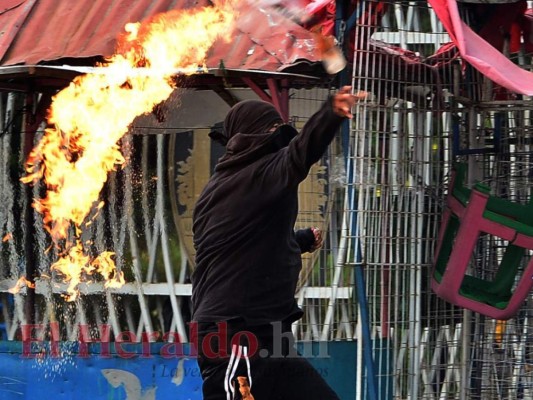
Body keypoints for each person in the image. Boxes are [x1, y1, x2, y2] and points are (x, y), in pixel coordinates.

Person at [191, 86, 362, 399]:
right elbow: (300, 154)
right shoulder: (253, 175)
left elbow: (245, 248)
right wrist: (330, 113)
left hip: (271, 336)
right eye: (269, 131)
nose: (275, 138)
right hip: (232, 332)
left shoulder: (232, 184)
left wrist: (299, 241)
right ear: (248, 136)